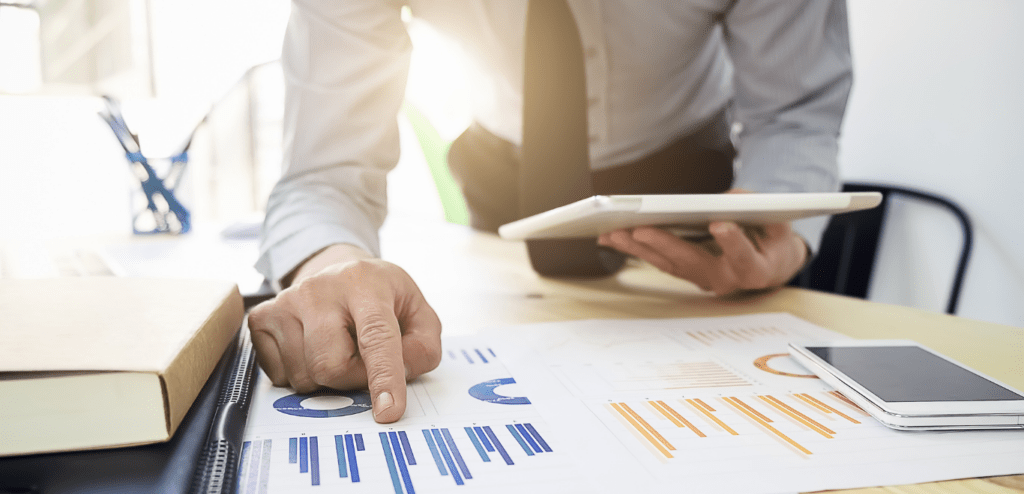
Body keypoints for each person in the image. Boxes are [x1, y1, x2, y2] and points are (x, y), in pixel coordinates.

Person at [248, 0, 853, 424]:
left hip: (697, 184)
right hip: (507, 175)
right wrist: (328, 263)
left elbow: (795, 114)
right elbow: (324, 171)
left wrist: (785, 224)